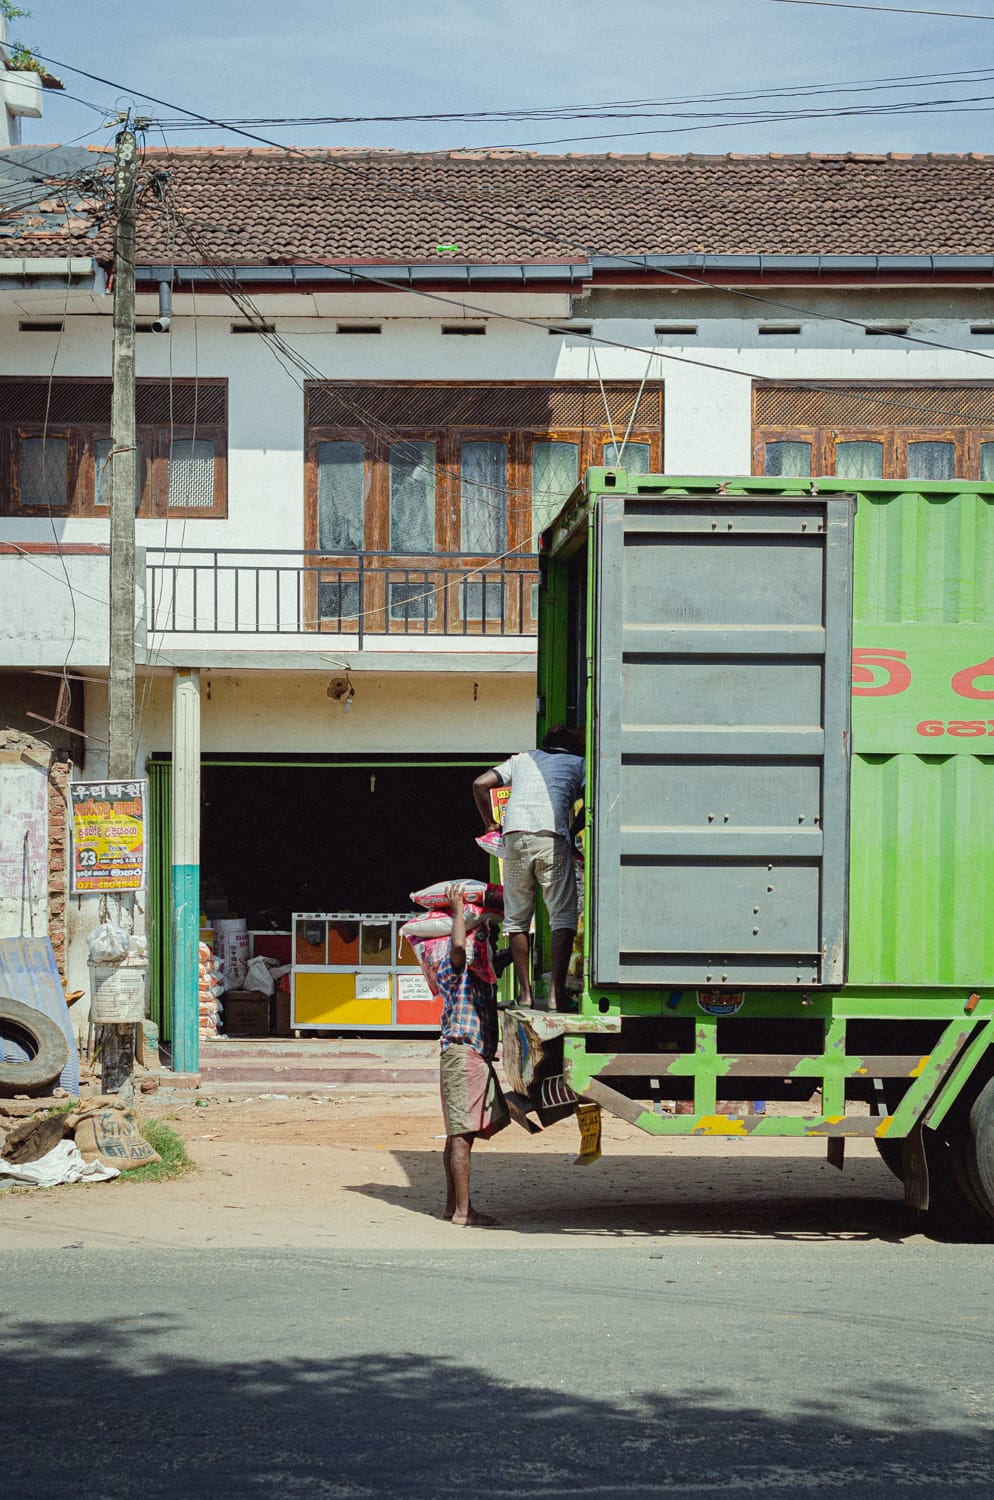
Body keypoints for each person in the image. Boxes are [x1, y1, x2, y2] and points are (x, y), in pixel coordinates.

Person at [473, 725, 585, 1011]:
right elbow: (595, 797)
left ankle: (524, 994)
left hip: (514, 839)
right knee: (563, 917)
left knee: (517, 919)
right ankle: (555, 995)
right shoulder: (579, 763)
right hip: (552, 837)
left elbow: (480, 784)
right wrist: (577, 827)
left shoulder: (523, 759)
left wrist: (489, 823)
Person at [437, 881, 509, 1226]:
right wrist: (459, 912)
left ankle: (454, 1207)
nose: (488, 947)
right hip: (463, 1054)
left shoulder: (483, 976)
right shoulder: (454, 970)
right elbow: (458, 949)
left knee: (457, 1133)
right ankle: (464, 1212)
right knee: (462, 1135)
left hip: (469, 1055)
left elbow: (504, 957)